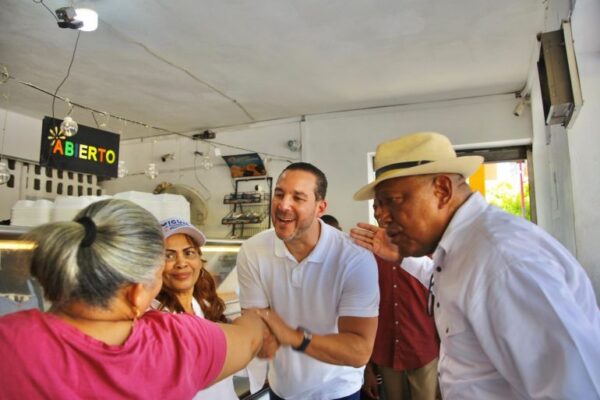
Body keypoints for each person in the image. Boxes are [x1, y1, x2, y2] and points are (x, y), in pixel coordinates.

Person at [351, 131, 600, 399]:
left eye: (392, 201)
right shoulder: (466, 250)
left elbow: (574, 389)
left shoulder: (503, 261)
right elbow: (455, 285)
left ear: (442, 190)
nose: (382, 216)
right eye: (378, 206)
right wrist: (403, 257)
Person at [0, 199, 270, 399]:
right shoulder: (177, 342)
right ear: (137, 292)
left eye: (189, 253)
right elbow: (250, 336)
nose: (180, 264)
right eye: (165, 261)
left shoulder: (10, 344)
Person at [237, 162, 380, 400]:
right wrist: (258, 338)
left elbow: (359, 351)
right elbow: (256, 321)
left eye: (298, 198)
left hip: (337, 391)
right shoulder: (253, 250)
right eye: (279, 194)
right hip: (282, 389)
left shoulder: (354, 257)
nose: (283, 205)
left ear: (320, 208)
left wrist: (294, 337)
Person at [352, 199, 439, 400]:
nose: (379, 212)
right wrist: (367, 368)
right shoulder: (366, 252)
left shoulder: (426, 246)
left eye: (385, 206)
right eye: (376, 207)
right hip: (386, 352)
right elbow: (360, 309)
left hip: (424, 349)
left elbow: (445, 298)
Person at [152, 217, 237, 399]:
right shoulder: (153, 320)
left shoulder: (204, 305)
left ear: (199, 260)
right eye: (168, 255)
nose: (181, 263)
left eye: (189, 253)